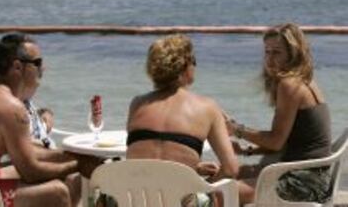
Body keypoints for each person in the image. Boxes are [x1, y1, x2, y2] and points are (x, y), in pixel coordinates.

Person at [0, 32, 103, 207]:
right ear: (17, 67)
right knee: (56, 193)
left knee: (71, 179)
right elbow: (30, 171)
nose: (43, 69)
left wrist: (74, 158)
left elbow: (30, 152)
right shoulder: (10, 107)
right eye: (38, 63)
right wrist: (78, 165)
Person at [126, 34, 239, 207]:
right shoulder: (207, 107)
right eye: (193, 60)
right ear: (185, 67)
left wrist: (191, 168)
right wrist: (201, 183)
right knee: (217, 197)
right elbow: (231, 169)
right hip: (180, 203)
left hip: (134, 201)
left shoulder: (138, 104)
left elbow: (150, 154)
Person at [225, 23, 332, 205]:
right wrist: (247, 151)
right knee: (226, 173)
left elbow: (276, 141)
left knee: (216, 194)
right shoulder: (305, 81)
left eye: (277, 53)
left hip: (303, 183)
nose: (269, 59)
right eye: (267, 52)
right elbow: (291, 141)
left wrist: (237, 130)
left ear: (293, 54)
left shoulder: (289, 85)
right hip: (310, 175)